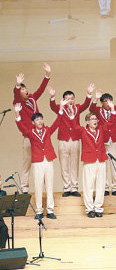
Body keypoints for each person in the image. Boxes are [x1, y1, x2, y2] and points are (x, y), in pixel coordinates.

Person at [14, 101, 63, 220]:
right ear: (33, 122)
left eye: (41, 119)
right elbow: (21, 127)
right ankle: (39, 211)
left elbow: (57, 123)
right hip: (37, 162)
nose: (40, 121)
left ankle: (50, 211)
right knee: (38, 186)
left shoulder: (47, 130)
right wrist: (17, 114)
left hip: (48, 160)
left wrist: (61, 108)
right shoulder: (30, 133)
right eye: (37, 120)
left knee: (49, 186)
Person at [48, 84, 94, 198]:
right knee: (64, 164)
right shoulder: (60, 108)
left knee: (74, 164)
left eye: (72, 99)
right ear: (63, 100)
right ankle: (66, 188)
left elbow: (86, 104)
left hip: (75, 139)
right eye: (67, 99)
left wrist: (89, 93)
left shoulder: (77, 108)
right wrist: (52, 97)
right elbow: (52, 106)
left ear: (74, 99)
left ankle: (74, 188)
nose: (70, 101)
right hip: (63, 139)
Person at [13, 63, 51, 193]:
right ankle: (24, 188)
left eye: (25, 88)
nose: (26, 90)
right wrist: (18, 85)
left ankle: (45, 189)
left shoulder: (33, 98)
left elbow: (40, 89)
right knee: (27, 163)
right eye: (23, 89)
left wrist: (47, 75)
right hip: (29, 135)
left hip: (40, 134)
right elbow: (17, 95)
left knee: (43, 161)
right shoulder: (19, 102)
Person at [70, 111, 109, 218]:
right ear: (87, 122)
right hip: (89, 160)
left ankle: (98, 208)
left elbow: (109, 124)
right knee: (88, 186)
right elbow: (74, 126)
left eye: (96, 119)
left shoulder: (100, 129)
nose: (95, 121)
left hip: (100, 159)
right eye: (92, 119)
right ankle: (90, 209)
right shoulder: (83, 130)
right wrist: (73, 116)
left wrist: (113, 111)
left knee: (101, 185)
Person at [90, 89, 116, 196]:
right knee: (103, 164)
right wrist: (96, 98)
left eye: (110, 100)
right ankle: (105, 187)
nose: (109, 103)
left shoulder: (114, 109)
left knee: (114, 163)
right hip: (102, 139)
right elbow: (91, 108)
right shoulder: (98, 110)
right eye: (106, 101)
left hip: (113, 139)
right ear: (102, 103)